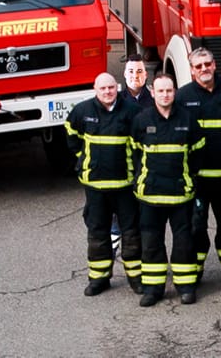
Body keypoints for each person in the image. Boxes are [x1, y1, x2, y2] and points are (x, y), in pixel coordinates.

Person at [131, 72, 204, 306]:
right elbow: (134, 153)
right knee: (151, 243)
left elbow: (198, 153)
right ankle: (153, 289)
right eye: (160, 90)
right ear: (152, 93)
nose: (165, 95)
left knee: (184, 242)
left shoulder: (188, 119)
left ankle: (186, 287)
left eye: (169, 90)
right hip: (150, 195)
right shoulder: (141, 120)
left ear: (175, 92)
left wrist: (187, 179)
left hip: (180, 194)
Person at [66, 72, 141, 296]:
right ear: (95, 89)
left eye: (111, 87)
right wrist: (84, 159)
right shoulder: (82, 111)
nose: (108, 92)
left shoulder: (132, 111)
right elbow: (71, 133)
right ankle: (99, 278)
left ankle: (136, 278)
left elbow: (140, 144)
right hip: (95, 186)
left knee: (131, 232)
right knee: (98, 232)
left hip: (125, 185)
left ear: (117, 88)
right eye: (103, 88)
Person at [175, 48, 221, 282]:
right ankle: (195, 270)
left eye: (207, 64)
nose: (204, 69)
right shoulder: (182, 97)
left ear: (214, 65)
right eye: (198, 66)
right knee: (196, 226)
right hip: (197, 178)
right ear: (192, 70)